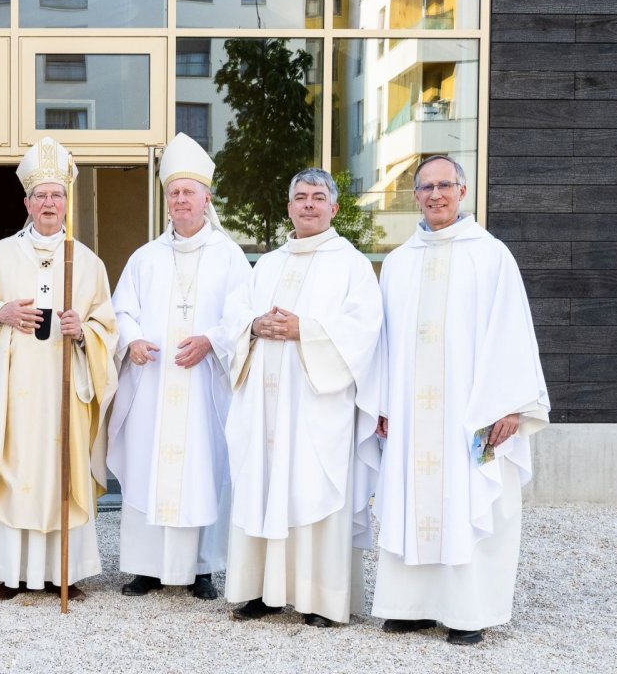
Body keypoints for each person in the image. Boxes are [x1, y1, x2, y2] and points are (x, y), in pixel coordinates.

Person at [370, 155, 550, 644]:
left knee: (470, 497)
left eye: (444, 185)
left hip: (470, 412)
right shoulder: (400, 262)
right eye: (425, 188)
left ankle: (468, 612)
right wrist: (383, 403)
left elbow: (512, 331)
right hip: (412, 415)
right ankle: (410, 606)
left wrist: (511, 405)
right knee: (413, 496)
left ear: (463, 191)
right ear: (415, 197)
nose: (434, 195)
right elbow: (384, 340)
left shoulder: (491, 256)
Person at [0, 137, 118, 602]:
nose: (48, 203)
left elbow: (108, 327)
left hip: (66, 390)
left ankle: (67, 572)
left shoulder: (87, 262)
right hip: (12, 390)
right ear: (26, 202)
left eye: (56, 195)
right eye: (40, 195)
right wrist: (0, 313)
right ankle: (11, 572)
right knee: (16, 466)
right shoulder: (2, 254)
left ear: (67, 201)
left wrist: (83, 332)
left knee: (61, 471)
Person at [220, 168, 383, 627]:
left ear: (333, 208)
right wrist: (252, 327)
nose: (308, 204)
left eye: (317, 197)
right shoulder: (267, 263)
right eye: (299, 197)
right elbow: (235, 314)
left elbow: (365, 329)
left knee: (311, 488)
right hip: (265, 408)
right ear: (288, 206)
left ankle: (321, 601)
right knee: (263, 485)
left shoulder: (350, 263)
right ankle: (259, 591)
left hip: (315, 407)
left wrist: (303, 331)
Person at [107, 133, 250, 600]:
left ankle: (201, 568)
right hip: (152, 383)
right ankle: (146, 567)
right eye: (174, 192)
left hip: (202, 384)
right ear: (166, 200)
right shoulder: (145, 258)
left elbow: (243, 314)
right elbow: (120, 311)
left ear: (207, 198)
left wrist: (212, 341)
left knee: (202, 470)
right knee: (150, 467)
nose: (181, 200)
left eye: (189, 192)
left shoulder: (229, 256)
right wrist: (132, 342)